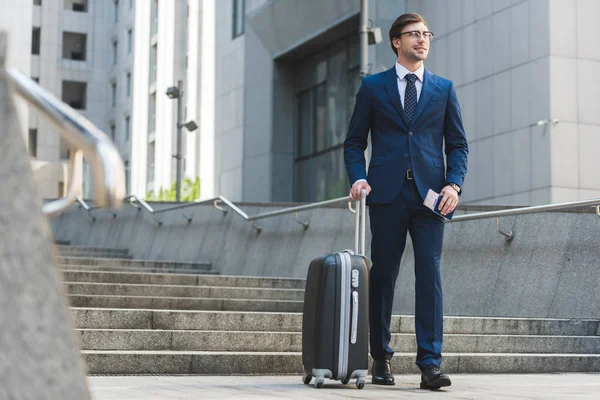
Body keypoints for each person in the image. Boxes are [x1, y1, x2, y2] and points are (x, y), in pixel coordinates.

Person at [343, 12, 468, 390]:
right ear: (396, 41)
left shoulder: (443, 88)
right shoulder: (373, 87)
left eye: (426, 33)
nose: (422, 39)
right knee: (383, 275)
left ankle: (430, 363)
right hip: (386, 194)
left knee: (429, 277)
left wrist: (454, 185)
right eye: (414, 34)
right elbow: (353, 142)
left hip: (432, 198)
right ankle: (380, 356)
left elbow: (458, 144)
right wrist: (359, 177)